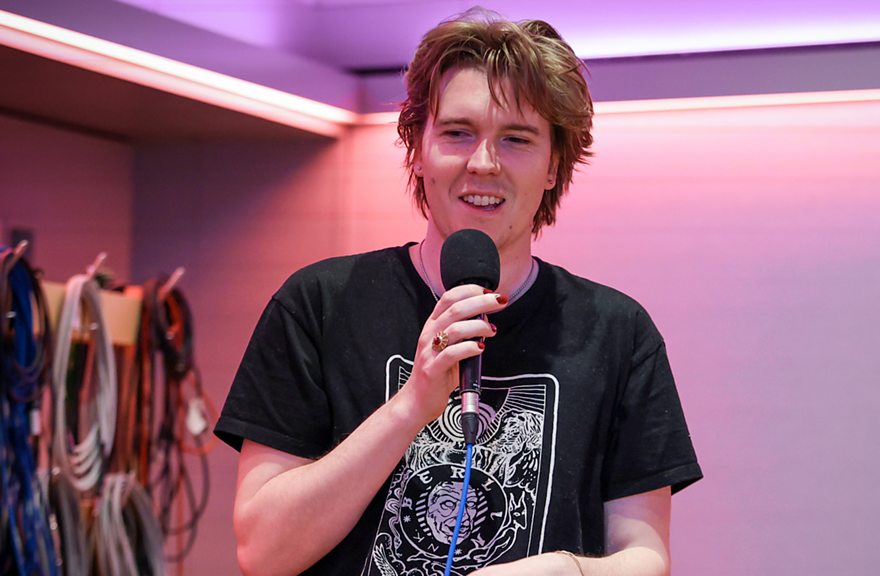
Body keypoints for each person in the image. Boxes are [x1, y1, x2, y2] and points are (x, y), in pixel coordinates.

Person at [214, 9, 701, 576]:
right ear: (417, 150)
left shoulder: (616, 332)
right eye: (457, 133)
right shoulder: (318, 304)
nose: (483, 163)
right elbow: (263, 552)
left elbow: (646, 557)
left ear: (553, 166)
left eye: (516, 139)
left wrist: (564, 570)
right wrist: (410, 407)